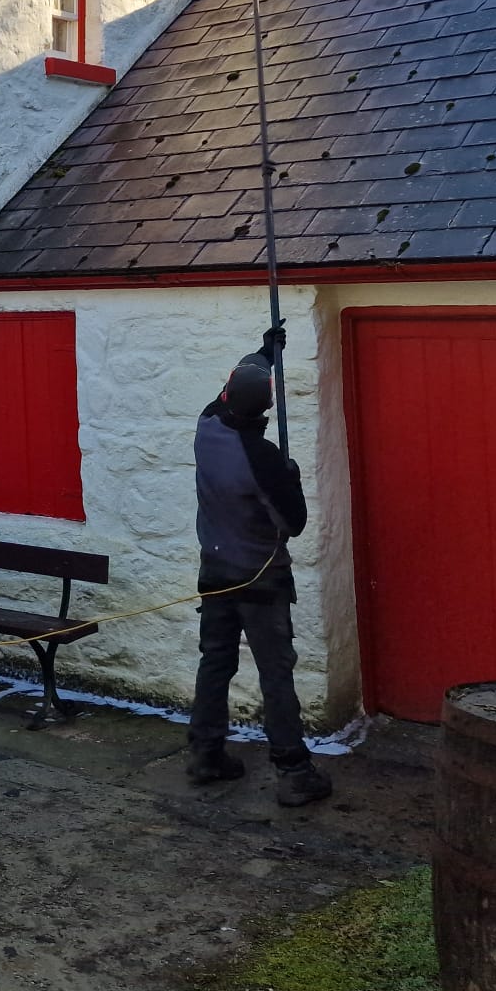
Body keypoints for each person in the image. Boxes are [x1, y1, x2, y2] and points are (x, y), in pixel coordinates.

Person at [185, 324, 333, 806]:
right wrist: (291, 481)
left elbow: (234, 385)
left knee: (216, 662)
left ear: (228, 398)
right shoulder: (262, 457)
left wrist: (264, 353)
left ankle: (206, 754)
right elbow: (294, 523)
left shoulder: (207, 424)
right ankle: (293, 772)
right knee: (275, 673)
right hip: (261, 580)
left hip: (215, 572)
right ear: (265, 411)